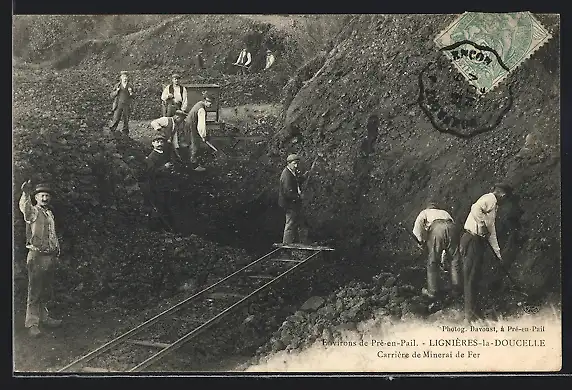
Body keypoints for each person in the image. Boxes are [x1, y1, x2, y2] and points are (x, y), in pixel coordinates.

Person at [459, 183, 513, 323]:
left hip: (477, 242)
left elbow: (492, 233)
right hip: (472, 239)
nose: (504, 201)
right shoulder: (490, 198)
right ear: (503, 195)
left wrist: (498, 254)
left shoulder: (494, 208)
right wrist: (481, 225)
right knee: (470, 278)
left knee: (474, 278)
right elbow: (475, 208)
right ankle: (469, 318)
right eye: (505, 198)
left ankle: (475, 313)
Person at [18, 181, 62, 337]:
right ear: (36, 197)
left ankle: (44, 317)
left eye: (47, 195)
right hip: (37, 256)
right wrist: (25, 194)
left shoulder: (49, 213)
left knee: (45, 289)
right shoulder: (34, 212)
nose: (45, 198)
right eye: (42, 195)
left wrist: (56, 250)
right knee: (35, 290)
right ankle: (32, 324)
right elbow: (26, 209)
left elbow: (52, 235)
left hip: (49, 256)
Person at [412, 202, 460, 300]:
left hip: (437, 228)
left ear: (428, 207)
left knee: (432, 261)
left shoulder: (424, 212)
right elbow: (450, 228)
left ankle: (432, 292)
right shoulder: (445, 212)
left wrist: (420, 242)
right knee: (455, 259)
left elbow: (416, 230)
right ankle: (456, 290)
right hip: (452, 228)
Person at [144, 133, 176, 232]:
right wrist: (164, 168)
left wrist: (171, 169)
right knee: (160, 207)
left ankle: (171, 228)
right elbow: (151, 173)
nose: (159, 144)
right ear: (153, 144)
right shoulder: (151, 157)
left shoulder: (165, 154)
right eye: (157, 142)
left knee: (169, 206)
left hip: (167, 185)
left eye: (161, 141)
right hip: (158, 187)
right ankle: (161, 229)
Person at [278, 154, 307, 244]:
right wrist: (299, 196)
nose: (296, 165)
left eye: (297, 163)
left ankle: (295, 242)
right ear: (289, 163)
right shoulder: (286, 175)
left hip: (294, 202)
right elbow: (288, 193)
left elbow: (297, 180)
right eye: (294, 163)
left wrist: (304, 177)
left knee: (296, 222)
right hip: (289, 203)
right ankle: (286, 245)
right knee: (290, 224)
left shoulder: (292, 172)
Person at [185, 92, 213, 172]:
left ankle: (191, 162)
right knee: (195, 145)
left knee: (192, 144)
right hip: (192, 126)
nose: (211, 105)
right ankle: (194, 166)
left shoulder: (199, 103)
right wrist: (203, 136)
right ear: (206, 101)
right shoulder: (201, 109)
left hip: (188, 125)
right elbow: (201, 125)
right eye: (210, 103)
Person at [109, 70, 135, 135]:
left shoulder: (130, 86)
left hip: (127, 105)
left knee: (126, 119)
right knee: (116, 118)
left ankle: (125, 133)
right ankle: (112, 130)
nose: (125, 78)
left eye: (126, 76)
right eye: (123, 76)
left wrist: (131, 93)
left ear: (128, 78)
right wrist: (116, 91)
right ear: (121, 77)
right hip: (118, 104)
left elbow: (134, 96)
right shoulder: (117, 85)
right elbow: (111, 95)